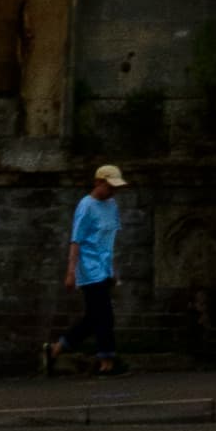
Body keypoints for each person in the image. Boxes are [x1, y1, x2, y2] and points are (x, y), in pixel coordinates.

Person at [64, 159, 128, 374]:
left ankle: (57, 348)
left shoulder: (112, 206)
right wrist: (71, 272)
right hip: (89, 268)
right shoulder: (86, 206)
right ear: (98, 182)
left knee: (93, 318)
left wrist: (113, 269)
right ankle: (106, 362)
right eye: (109, 187)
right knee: (105, 316)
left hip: (104, 267)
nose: (112, 192)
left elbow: (110, 240)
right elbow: (76, 240)